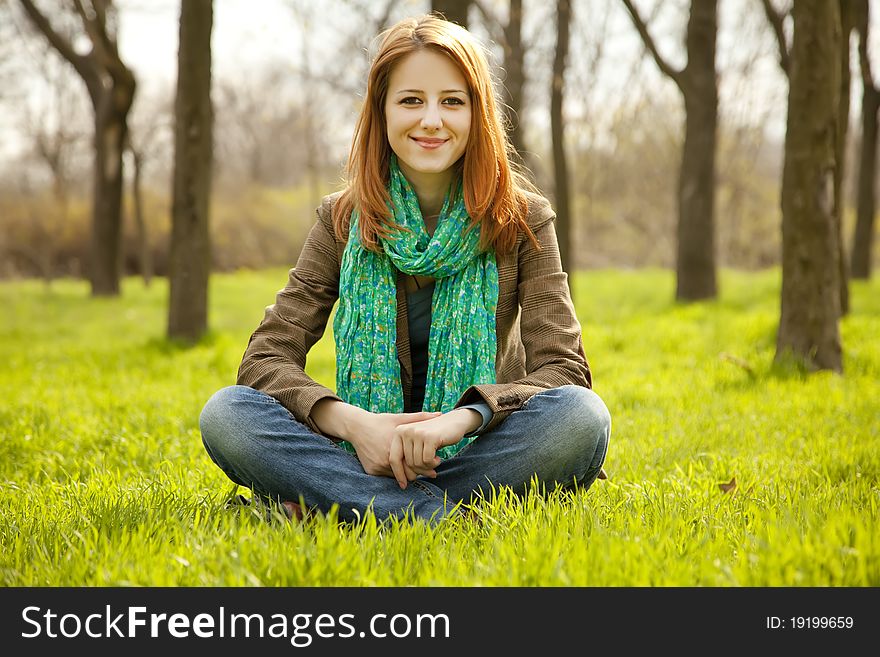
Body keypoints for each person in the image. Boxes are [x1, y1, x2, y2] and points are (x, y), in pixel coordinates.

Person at [199, 13, 610, 525]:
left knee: (582, 418)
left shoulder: (521, 219)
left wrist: (459, 422)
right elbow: (265, 360)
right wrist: (355, 426)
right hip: (362, 453)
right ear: (383, 111)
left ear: (476, 113)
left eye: (452, 101)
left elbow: (565, 370)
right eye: (411, 100)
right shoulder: (343, 218)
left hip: (475, 448)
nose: (431, 120)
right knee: (227, 414)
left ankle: (345, 505)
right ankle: (437, 514)